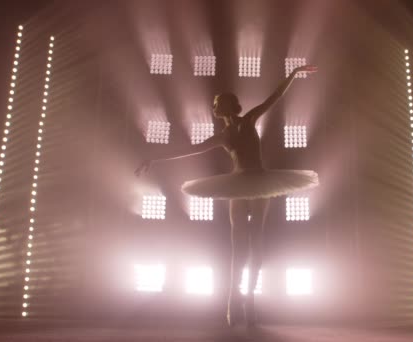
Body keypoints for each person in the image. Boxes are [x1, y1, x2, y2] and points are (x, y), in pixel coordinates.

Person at [135, 65, 319, 326]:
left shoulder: (249, 119)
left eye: (217, 103)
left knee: (256, 242)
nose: (214, 107)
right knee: (238, 245)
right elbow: (190, 149)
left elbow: (274, 97)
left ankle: (250, 299)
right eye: (214, 104)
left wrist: (295, 72)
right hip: (238, 184)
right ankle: (235, 300)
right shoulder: (223, 136)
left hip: (260, 182)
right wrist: (153, 158)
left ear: (231, 106)